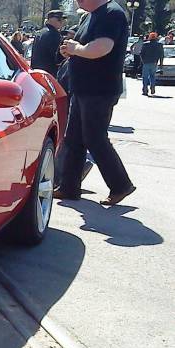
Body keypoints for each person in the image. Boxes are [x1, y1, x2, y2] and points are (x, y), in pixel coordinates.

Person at [57, 0, 134, 206]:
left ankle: (121, 185)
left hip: (99, 90)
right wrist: (71, 50)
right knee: (73, 139)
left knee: (95, 139)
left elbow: (102, 47)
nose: (77, 0)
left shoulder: (111, 14)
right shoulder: (93, 15)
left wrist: (77, 48)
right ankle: (68, 187)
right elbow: (86, 47)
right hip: (83, 88)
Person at [31, 10, 66, 75]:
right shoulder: (54, 35)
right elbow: (57, 58)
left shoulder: (39, 33)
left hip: (37, 73)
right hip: (50, 73)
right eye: (59, 19)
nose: (61, 22)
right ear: (50, 20)